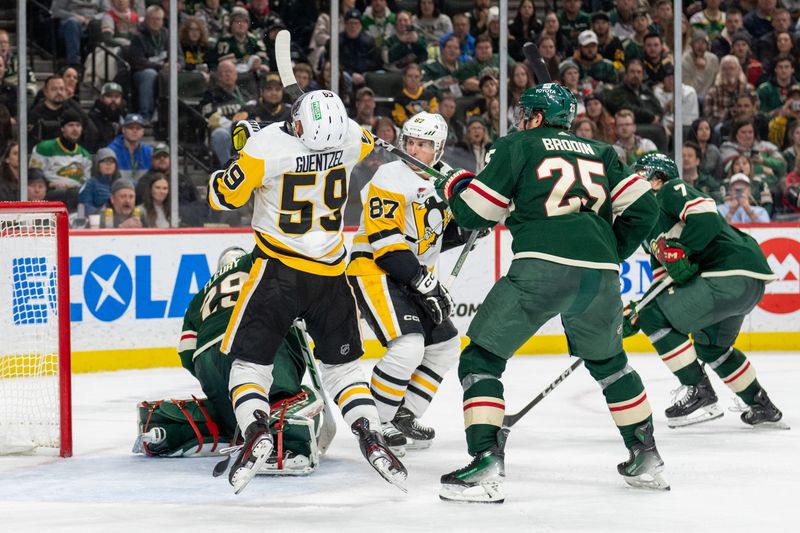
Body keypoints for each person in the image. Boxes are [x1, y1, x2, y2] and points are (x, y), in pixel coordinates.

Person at [434, 83, 666, 502]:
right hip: (601, 275)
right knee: (611, 363)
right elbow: (646, 210)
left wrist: (455, 187)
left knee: (481, 358)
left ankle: (485, 460)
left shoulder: (516, 145)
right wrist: (611, 250)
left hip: (541, 267)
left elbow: (474, 214)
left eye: (526, 113)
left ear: (537, 117)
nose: (521, 120)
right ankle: (645, 455)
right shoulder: (602, 152)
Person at [207, 90, 406, 494]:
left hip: (277, 273)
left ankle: (256, 429)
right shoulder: (350, 137)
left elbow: (221, 196)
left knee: (248, 365)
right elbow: (366, 138)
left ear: (298, 124)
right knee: (343, 369)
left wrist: (242, 148)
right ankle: (368, 432)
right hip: (332, 276)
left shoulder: (266, 149)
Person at [625, 153, 782, 430]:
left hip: (728, 269)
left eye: (639, 175)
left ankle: (699, 392)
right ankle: (760, 403)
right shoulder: (649, 232)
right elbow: (665, 280)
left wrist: (683, 249)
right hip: (746, 283)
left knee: (652, 316)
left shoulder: (670, 191)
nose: (632, 182)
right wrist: (636, 309)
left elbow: (706, 217)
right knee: (711, 346)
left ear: (657, 179)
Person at [136, 247, 324, 471]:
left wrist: (219, 379)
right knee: (295, 399)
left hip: (207, 358)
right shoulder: (258, 263)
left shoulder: (199, 297)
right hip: (258, 342)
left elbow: (187, 354)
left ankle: (170, 425)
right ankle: (285, 443)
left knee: (235, 415)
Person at [347, 111, 464, 455]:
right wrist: (423, 283)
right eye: (410, 142)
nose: (414, 150)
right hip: (374, 269)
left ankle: (404, 416)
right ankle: (377, 425)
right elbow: (387, 246)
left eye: (423, 145)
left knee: (445, 345)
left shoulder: (445, 180)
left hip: (412, 275)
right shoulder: (389, 176)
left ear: (439, 149)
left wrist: (472, 220)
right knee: (409, 345)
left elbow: (438, 235)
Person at [30, 110, 92, 195]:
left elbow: (86, 182)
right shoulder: (44, 148)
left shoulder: (85, 155)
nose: (75, 129)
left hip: (76, 195)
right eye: (71, 125)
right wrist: (49, 184)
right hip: (50, 192)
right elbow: (34, 175)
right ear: (62, 128)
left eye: (78, 125)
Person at [129, 5, 170, 121]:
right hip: (141, 73)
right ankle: (145, 115)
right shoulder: (138, 36)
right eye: (153, 19)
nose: (156, 22)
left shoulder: (168, 34)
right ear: (146, 19)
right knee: (149, 74)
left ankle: (168, 116)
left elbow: (179, 56)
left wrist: (178, 64)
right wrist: (161, 66)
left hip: (165, 70)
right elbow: (138, 61)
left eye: (159, 19)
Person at [107, 113, 153, 183]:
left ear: (143, 132)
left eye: (138, 128)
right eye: (131, 128)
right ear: (123, 130)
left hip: (142, 192)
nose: (135, 131)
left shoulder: (148, 152)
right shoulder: (112, 151)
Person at [391, 63, 438, 127]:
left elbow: (435, 114)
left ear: (421, 77)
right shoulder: (399, 98)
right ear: (404, 77)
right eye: (410, 76)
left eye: (416, 76)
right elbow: (401, 120)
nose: (413, 79)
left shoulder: (429, 95)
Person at [78, 147, 120, 216]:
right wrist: (104, 214)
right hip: (97, 222)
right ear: (98, 165)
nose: (108, 164)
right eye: (105, 161)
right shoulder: (90, 184)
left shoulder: (121, 184)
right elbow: (85, 207)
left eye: (112, 161)